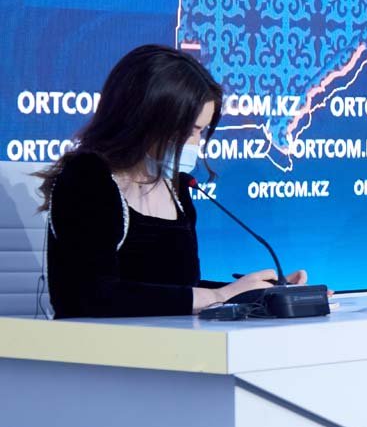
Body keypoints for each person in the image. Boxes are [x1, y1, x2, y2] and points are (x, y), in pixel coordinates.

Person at [38, 45, 308, 318]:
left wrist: (261, 293)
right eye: (190, 131)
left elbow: (178, 290)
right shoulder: (87, 178)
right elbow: (92, 295)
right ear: (144, 117)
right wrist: (219, 296)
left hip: (177, 341)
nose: (196, 143)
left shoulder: (176, 186)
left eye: (201, 132)